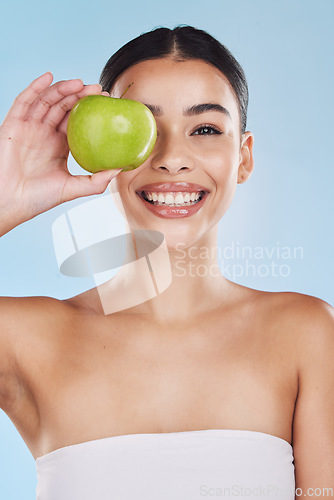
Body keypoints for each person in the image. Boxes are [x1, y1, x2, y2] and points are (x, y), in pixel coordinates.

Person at [0, 25, 333, 500]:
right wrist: (5, 200)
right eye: (144, 128)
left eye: (205, 129)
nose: (173, 158)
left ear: (244, 157)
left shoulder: (306, 333)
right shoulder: (22, 337)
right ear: (91, 150)